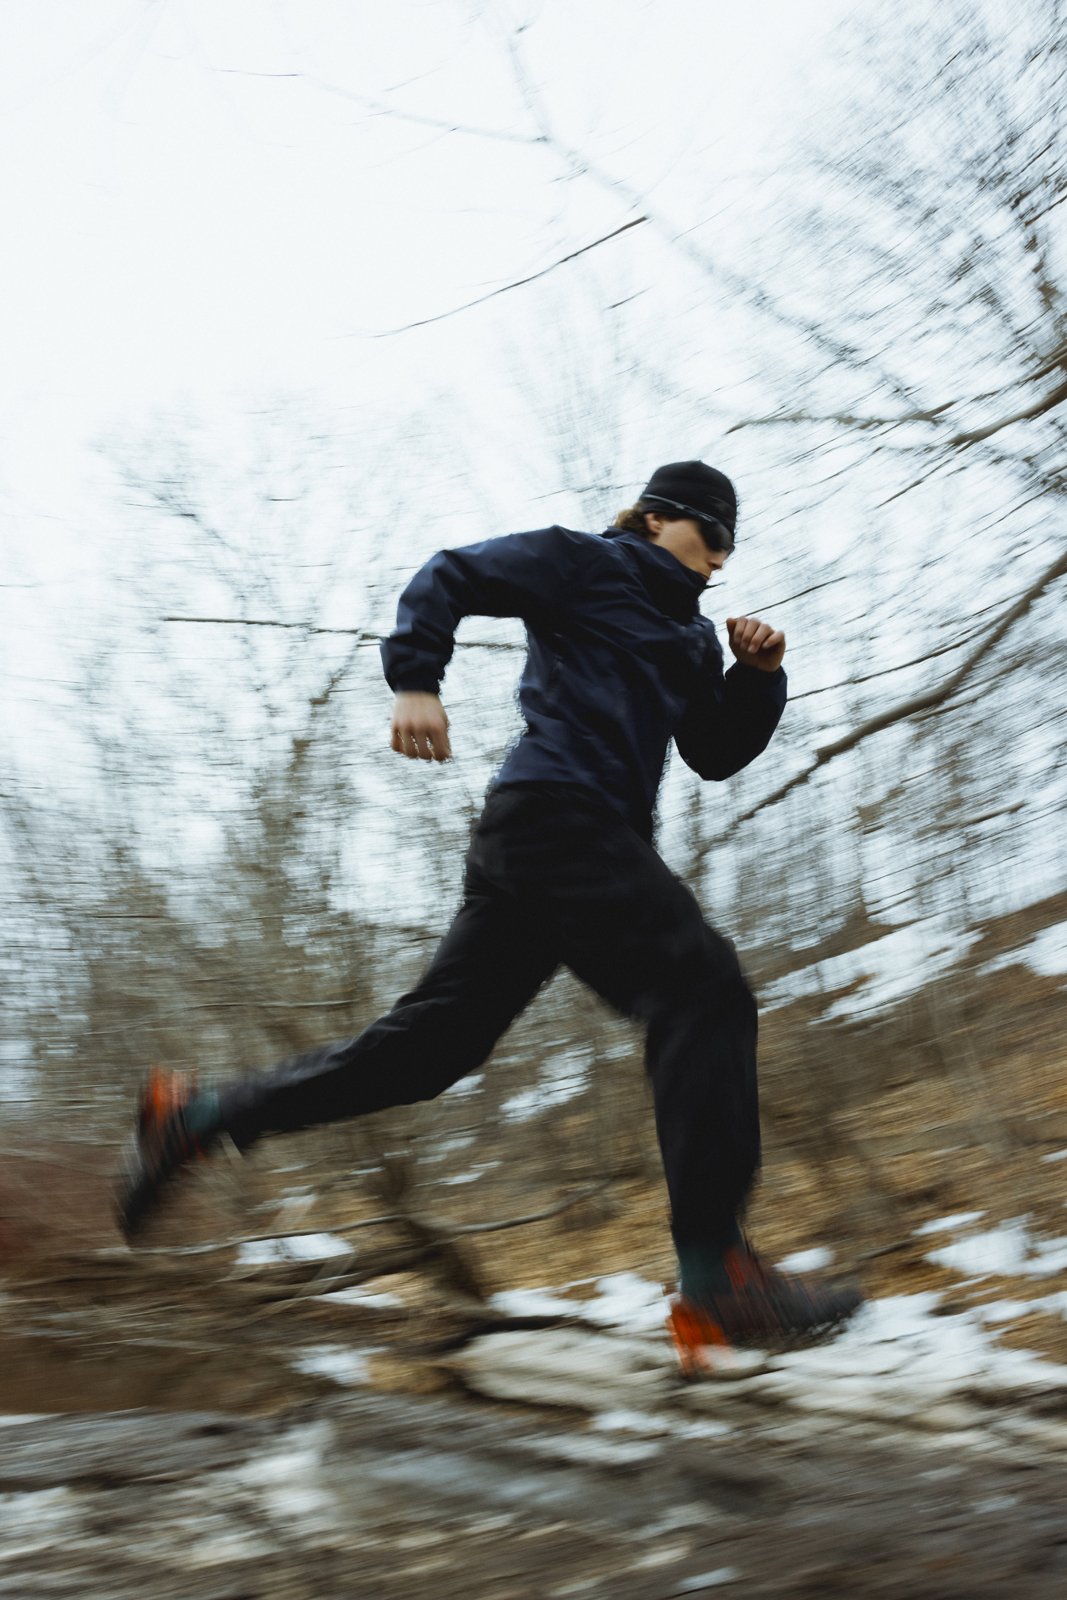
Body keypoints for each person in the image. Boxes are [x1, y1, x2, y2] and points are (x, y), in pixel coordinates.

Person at [117, 460, 863, 1368]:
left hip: (564, 848)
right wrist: (415, 679)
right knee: (703, 993)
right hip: (557, 819)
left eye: (730, 550)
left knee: (432, 1051)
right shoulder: (588, 562)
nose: (719, 563)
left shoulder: (693, 637)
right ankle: (717, 1277)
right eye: (712, 538)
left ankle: (195, 1120)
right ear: (662, 518)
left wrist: (757, 676)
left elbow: (711, 752)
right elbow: (453, 574)